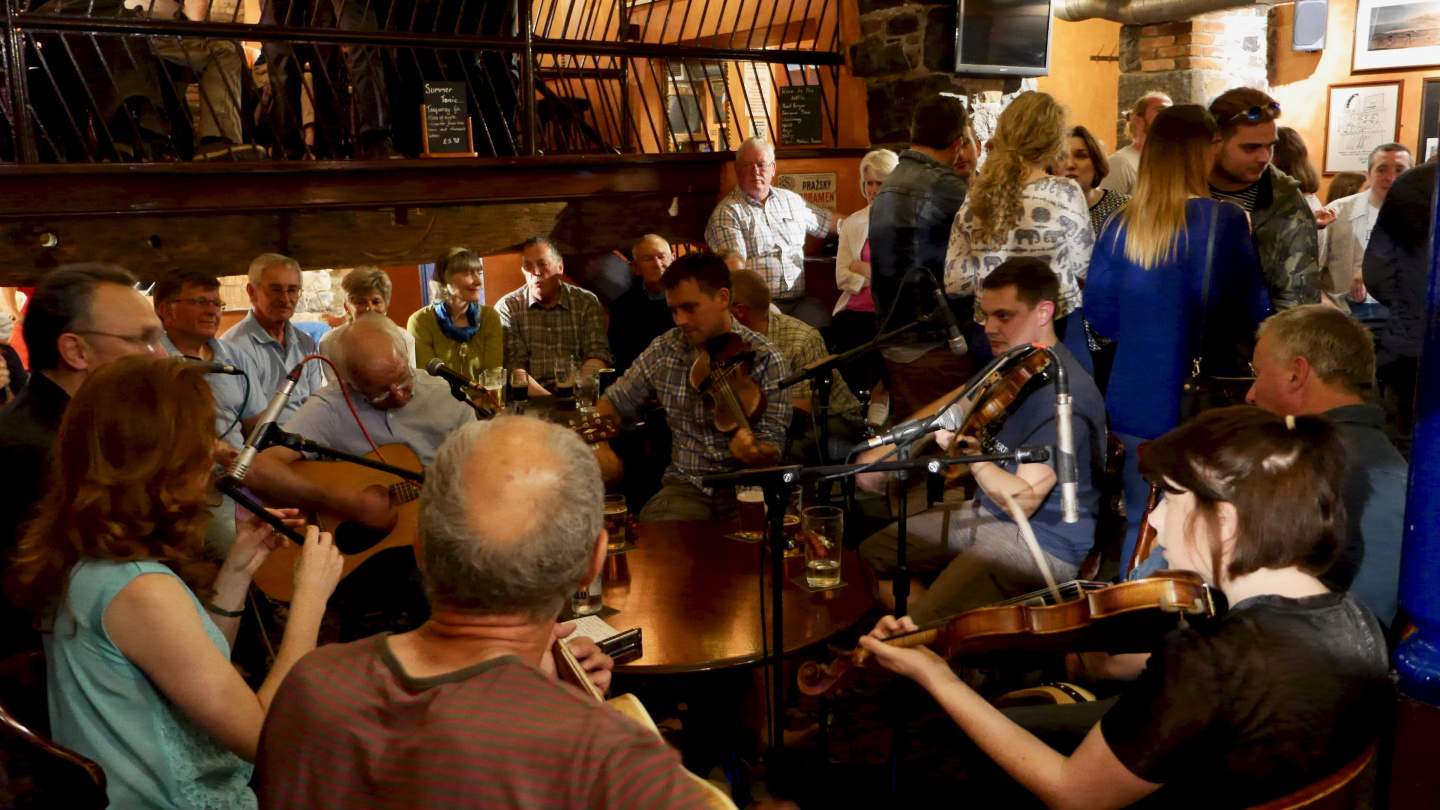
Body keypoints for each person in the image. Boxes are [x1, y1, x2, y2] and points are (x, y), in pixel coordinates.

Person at [860, 406, 1392, 807]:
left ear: (1225, 521)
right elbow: (1260, 683)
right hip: (1249, 773)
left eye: (1171, 498)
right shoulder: (1354, 620)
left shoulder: (1205, 658)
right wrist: (1120, 666)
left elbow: (1074, 796)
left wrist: (939, 680)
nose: (1154, 521)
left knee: (959, 745)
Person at [254, 416, 715, 809]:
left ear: (420, 547)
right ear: (593, 563)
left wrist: (542, 686)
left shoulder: (308, 688)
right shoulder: (612, 762)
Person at [7, 356, 343, 809]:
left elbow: (195, 666)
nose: (215, 450)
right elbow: (267, 738)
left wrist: (238, 571)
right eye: (202, 434)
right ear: (162, 454)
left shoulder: (92, 558)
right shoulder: (139, 589)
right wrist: (311, 601)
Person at [857, 260, 1107, 623]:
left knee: (918, 625)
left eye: (1003, 316)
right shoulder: (1014, 364)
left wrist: (974, 459)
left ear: (1044, 312)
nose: (988, 328)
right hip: (985, 513)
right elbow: (956, 407)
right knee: (866, 559)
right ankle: (942, 638)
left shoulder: (1064, 395)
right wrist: (891, 448)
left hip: (1039, 541)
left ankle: (928, 636)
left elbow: (1022, 501)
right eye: (985, 315)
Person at [1084, 105, 1271, 567]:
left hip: (1132, 398)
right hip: (1201, 402)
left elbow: (1101, 318)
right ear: (1205, 150)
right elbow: (1251, 313)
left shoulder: (1119, 222)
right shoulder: (1225, 222)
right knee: (1204, 528)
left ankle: (1131, 624)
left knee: (1141, 525)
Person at [0, 264, 163, 657]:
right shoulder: (39, 450)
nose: (160, 357)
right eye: (143, 340)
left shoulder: (80, 426)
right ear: (76, 351)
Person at [597, 252, 792, 521]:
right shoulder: (665, 349)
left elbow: (773, 444)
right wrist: (599, 443)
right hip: (686, 487)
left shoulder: (765, 357)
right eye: (674, 310)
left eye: (690, 308)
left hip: (748, 489)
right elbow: (614, 402)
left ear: (723, 298)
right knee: (660, 536)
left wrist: (756, 453)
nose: (680, 321)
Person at [1246, 306, 1407, 629]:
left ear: (1296, 373)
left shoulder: (1320, 472)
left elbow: (1354, 630)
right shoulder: (1395, 474)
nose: (1250, 395)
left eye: (1256, 374)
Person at [245, 314, 476, 532]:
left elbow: (479, 465)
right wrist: (345, 503)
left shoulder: (449, 396)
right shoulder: (331, 405)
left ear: (405, 357)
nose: (398, 395)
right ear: (350, 384)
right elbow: (256, 470)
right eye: (381, 392)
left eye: (402, 379)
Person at [945, 91, 1094, 375]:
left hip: (993, 333)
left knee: (997, 417)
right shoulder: (1065, 192)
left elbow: (955, 283)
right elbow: (1083, 265)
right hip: (1053, 328)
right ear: (1053, 141)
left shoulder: (975, 197)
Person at [867, 93, 973, 420]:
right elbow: (991, 237)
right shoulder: (943, 184)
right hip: (932, 341)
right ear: (957, 143)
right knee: (942, 444)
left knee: (910, 443)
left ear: (913, 129)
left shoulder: (890, 182)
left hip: (894, 335)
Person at [1207, 88, 1321, 310]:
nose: (1264, 158)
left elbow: (1297, 303)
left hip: (1255, 336)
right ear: (1215, 141)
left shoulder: (1285, 201)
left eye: (1270, 146)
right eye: (1250, 148)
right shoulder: (1179, 188)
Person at [730, 269, 865, 455]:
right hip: (776, 419)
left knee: (781, 450)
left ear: (739, 311)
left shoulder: (799, 339)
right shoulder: (729, 338)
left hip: (831, 419)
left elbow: (799, 420)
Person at [705, 137, 836, 328]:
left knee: (827, 329)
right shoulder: (728, 213)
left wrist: (866, 222)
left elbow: (828, 222)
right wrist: (764, 306)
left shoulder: (791, 201)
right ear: (737, 169)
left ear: (773, 168)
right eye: (748, 165)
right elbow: (737, 276)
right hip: (758, 306)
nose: (755, 171)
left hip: (799, 300)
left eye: (761, 164)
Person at [1362, 158, 1434, 457]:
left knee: (1405, 448)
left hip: (1412, 348)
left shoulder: (1414, 183)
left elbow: (1378, 272)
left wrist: (1411, 302)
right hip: (1413, 344)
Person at [152, 269, 265, 449]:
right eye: (200, 302)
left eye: (217, 304)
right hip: (178, 472)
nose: (212, 311)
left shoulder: (235, 357)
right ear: (166, 311)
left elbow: (257, 429)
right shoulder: (150, 360)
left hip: (238, 469)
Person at [497, 237, 612, 394]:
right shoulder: (508, 307)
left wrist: (575, 392)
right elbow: (514, 366)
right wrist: (549, 402)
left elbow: (597, 354)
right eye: (528, 266)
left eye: (542, 264)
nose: (536, 272)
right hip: (531, 397)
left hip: (578, 392)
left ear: (560, 267)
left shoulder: (586, 302)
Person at [220, 253, 327, 424]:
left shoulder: (306, 344)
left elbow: (316, 405)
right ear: (252, 292)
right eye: (275, 289)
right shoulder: (234, 347)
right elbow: (248, 423)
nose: (285, 299)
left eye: (292, 290)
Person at [1325, 143, 1413, 304]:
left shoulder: (1423, 216)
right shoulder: (1336, 212)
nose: (1390, 178)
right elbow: (1310, 272)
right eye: (1382, 170)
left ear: (1411, 175)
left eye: (1399, 170)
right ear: (1368, 175)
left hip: (1400, 314)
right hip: (1344, 312)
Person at [407, 247, 504, 384]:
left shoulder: (489, 317)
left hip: (484, 402)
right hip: (441, 403)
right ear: (444, 279)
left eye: (479, 273)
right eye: (469, 274)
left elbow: (494, 374)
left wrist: (481, 402)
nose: (479, 281)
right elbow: (428, 380)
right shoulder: (420, 321)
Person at [319, 267, 417, 387]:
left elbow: (409, 384)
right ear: (347, 307)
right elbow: (334, 391)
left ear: (386, 305)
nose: (369, 308)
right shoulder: (330, 342)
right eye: (361, 302)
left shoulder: (405, 339)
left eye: (376, 302)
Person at [609, 234, 677, 374]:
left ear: (673, 260)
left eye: (661, 257)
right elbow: (618, 357)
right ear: (636, 267)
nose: (657, 264)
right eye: (648, 259)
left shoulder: (688, 301)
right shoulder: (622, 307)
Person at [1056, 125, 1129, 236]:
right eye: (1061, 157)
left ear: (1096, 162)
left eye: (1080, 156)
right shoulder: (1041, 210)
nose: (1070, 164)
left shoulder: (1123, 208)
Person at [1099, 91, 1172, 195]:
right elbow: (1109, 209)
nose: (1169, 117)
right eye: (1160, 111)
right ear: (1138, 120)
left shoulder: (1174, 162)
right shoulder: (1120, 163)